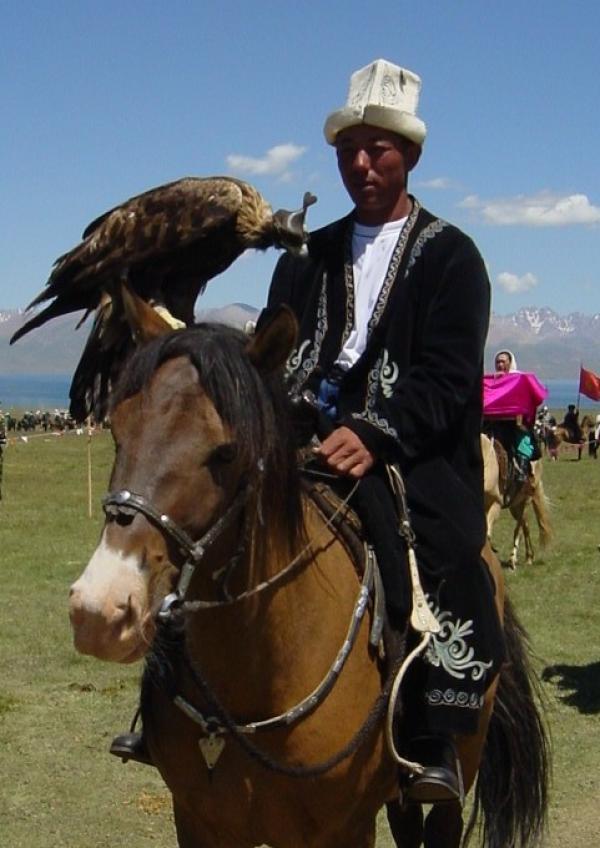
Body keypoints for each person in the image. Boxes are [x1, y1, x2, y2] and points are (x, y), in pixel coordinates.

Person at [260, 58, 504, 804]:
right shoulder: (307, 256)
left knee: (436, 552)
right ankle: (172, 706)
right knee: (202, 522)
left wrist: (374, 433)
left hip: (408, 452)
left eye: (378, 149)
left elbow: (448, 376)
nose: (361, 164)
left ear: (411, 156)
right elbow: (276, 349)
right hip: (303, 441)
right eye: (348, 151)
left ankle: (433, 732)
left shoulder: (453, 257)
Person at [484, 349, 541, 482]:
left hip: (514, 423)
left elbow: (528, 396)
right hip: (491, 423)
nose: (499, 365)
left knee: (522, 442)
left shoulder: (518, 379)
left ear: (510, 363)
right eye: (497, 362)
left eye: (503, 362)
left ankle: (522, 470)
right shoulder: (491, 382)